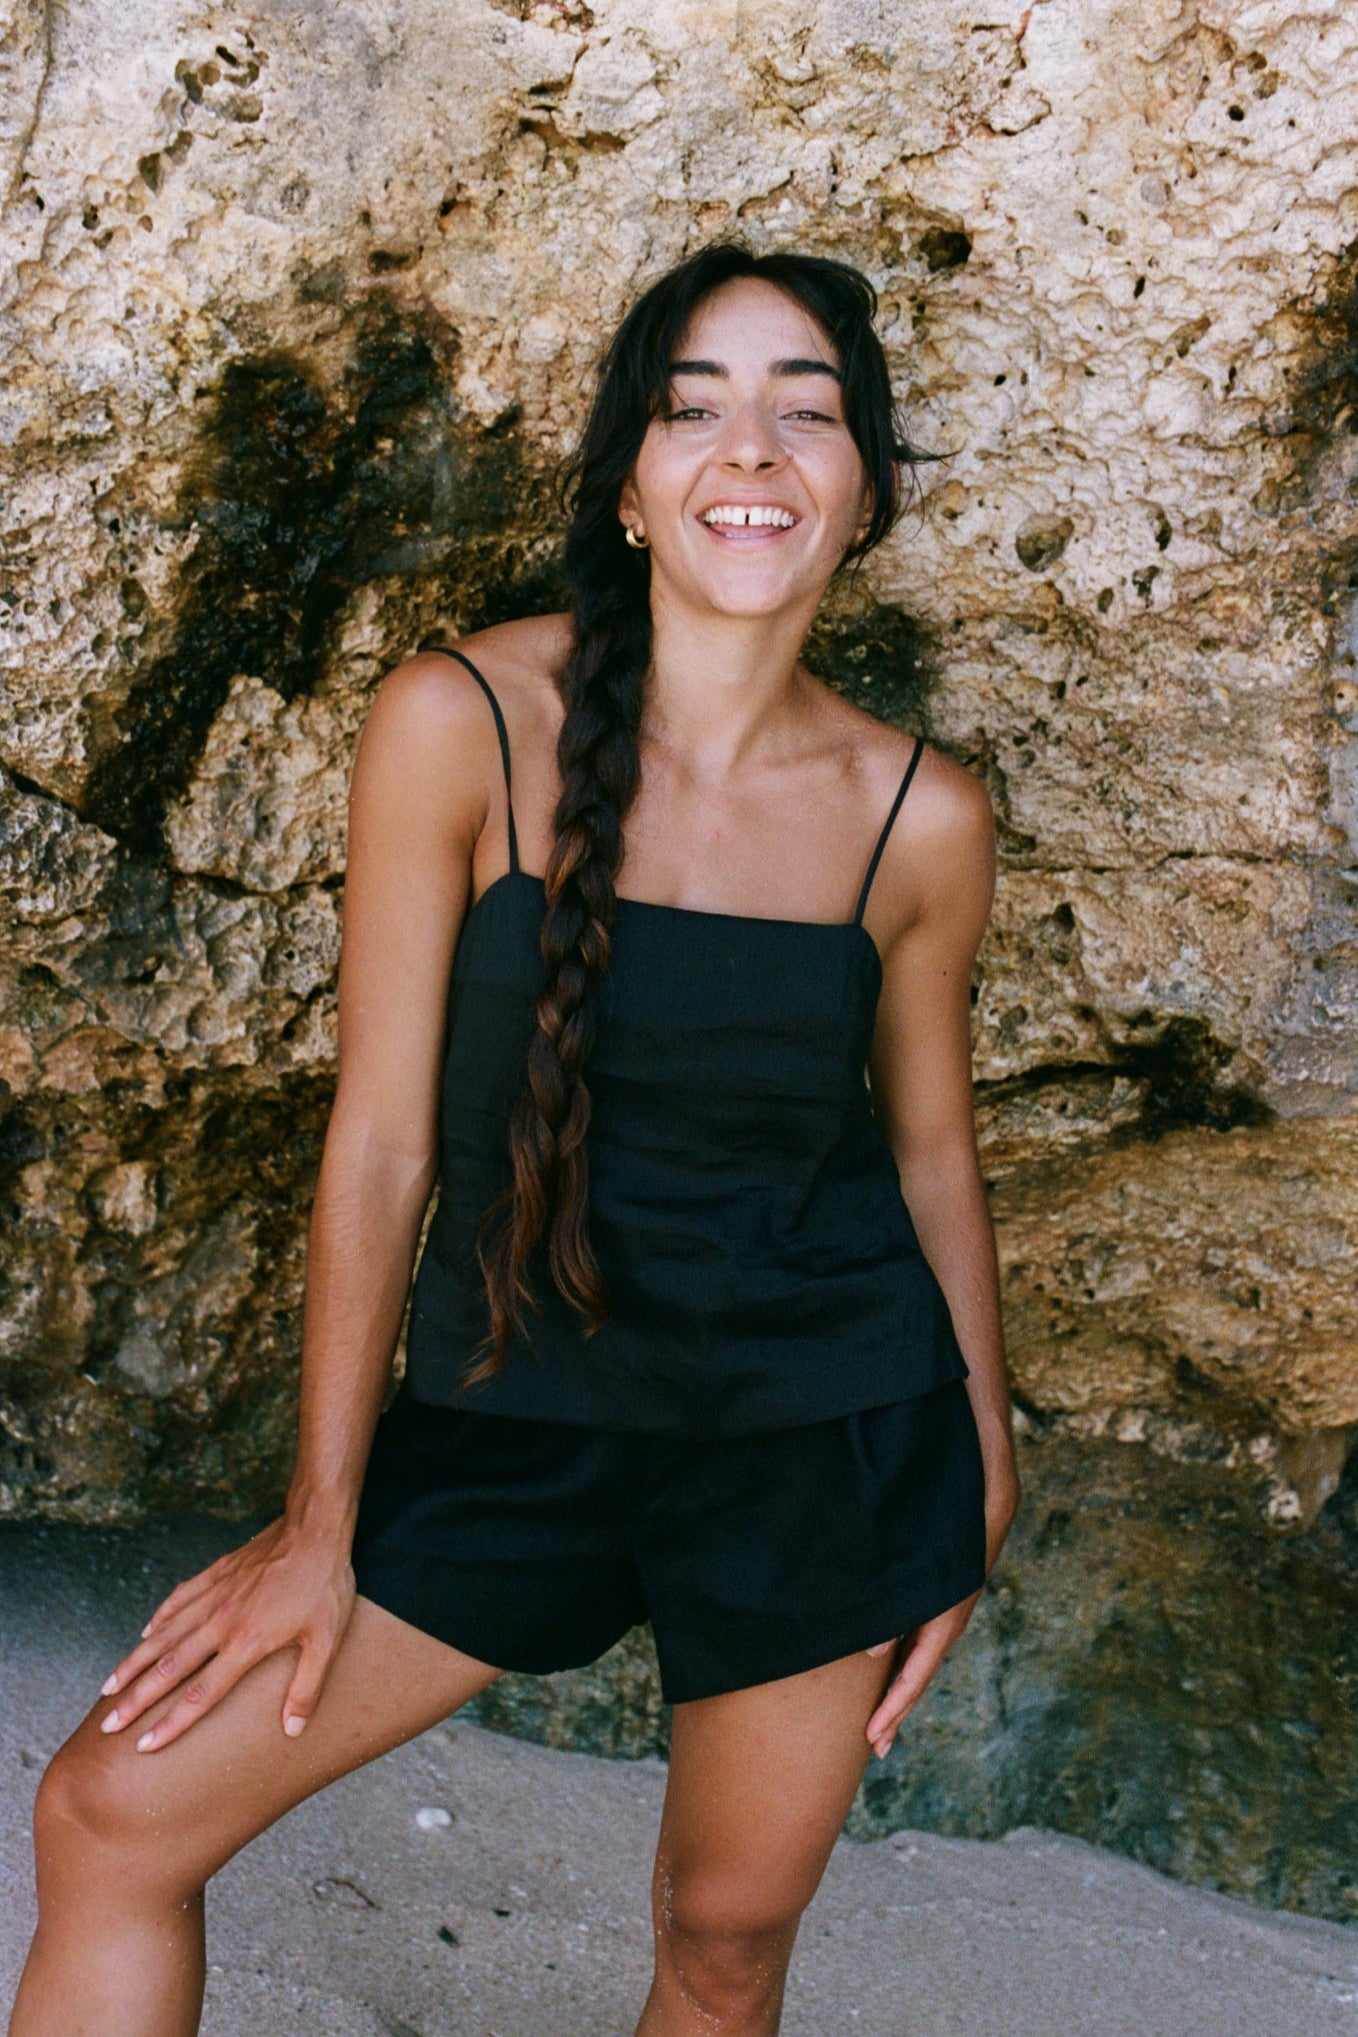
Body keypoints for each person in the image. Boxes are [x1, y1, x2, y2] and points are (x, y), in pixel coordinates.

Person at [10, 238, 1019, 2037]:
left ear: (865, 493)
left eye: (810, 415)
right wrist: (319, 1521)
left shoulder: (917, 817)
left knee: (719, 1957)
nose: (753, 453)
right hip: (513, 1421)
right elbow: (383, 1141)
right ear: (630, 483)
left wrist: (976, 1466)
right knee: (111, 1813)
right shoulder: (458, 719)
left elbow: (932, 1158)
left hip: (815, 1443)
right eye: (693, 408)